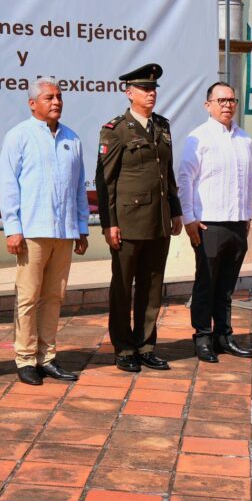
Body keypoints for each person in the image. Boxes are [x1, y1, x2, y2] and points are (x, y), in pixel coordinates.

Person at [0, 78, 89, 386]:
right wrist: (12, 228)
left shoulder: (72, 138)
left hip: (64, 232)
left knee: (53, 296)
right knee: (28, 297)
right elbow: (8, 185)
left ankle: (46, 357)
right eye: (49, 97)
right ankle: (25, 359)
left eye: (59, 96)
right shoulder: (19, 136)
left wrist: (81, 227)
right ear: (32, 103)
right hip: (32, 232)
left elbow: (78, 187)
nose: (56, 102)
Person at [96, 63, 183, 373]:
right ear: (129, 93)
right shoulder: (115, 129)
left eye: (153, 89)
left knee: (152, 286)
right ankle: (123, 348)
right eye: (145, 89)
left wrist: (175, 210)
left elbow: (167, 173)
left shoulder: (162, 126)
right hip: (128, 222)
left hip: (158, 220)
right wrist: (109, 223)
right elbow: (105, 180)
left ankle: (145, 345)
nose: (151, 93)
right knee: (122, 287)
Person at [176, 82, 252, 363]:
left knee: (227, 286)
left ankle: (224, 335)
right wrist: (189, 218)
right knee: (206, 283)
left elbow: (247, 181)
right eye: (221, 100)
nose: (227, 105)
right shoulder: (198, 138)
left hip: (237, 223)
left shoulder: (244, 139)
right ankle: (202, 336)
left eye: (231, 100)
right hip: (209, 223)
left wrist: (247, 215)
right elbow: (185, 179)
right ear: (208, 105)